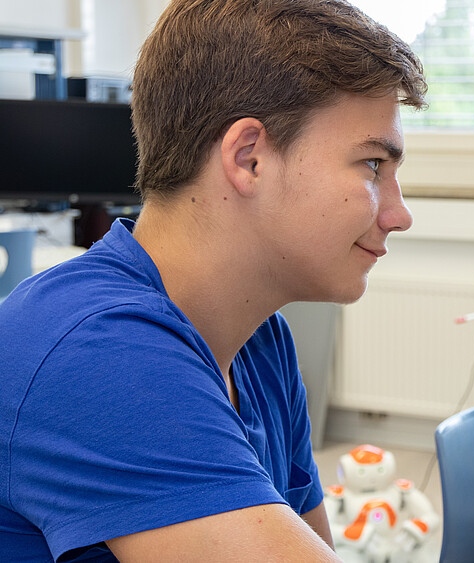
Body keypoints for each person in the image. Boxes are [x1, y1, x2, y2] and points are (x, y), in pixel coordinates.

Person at [0, 0, 425, 561]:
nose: (399, 214)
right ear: (249, 158)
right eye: (372, 165)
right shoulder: (99, 350)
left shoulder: (260, 340)